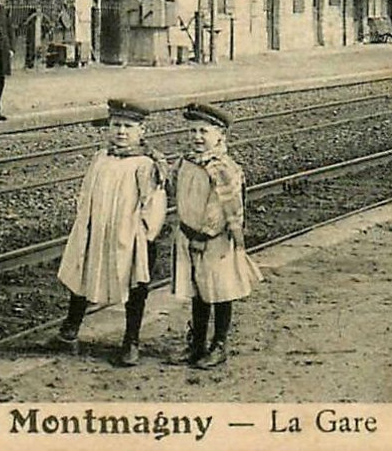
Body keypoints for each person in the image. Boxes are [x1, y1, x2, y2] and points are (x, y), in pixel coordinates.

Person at [52, 98, 169, 366]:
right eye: (117, 125)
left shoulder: (145, 164)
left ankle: (131, 341)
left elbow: (153, 204)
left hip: (129, 236)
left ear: (142, 131)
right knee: (82, 275)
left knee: (135, 286)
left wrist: (145, 235)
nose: (121, 132)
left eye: (128, 126)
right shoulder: (101, 158)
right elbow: (86, 193)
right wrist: (85, 224)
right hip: (96, 230)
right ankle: (69, 331)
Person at [170, 102, 262, 368]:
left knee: (220, 290)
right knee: (199, 291)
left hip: (215, 240)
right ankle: (197, 343)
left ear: (220, 135)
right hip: (189, 234)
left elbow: (223, 207)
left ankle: (219, 344)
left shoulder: (222, 168)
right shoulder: (187, 162)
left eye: (204, 132)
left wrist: (205, 234)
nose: (197, 137)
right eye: (193, 131)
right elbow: (177, 189)